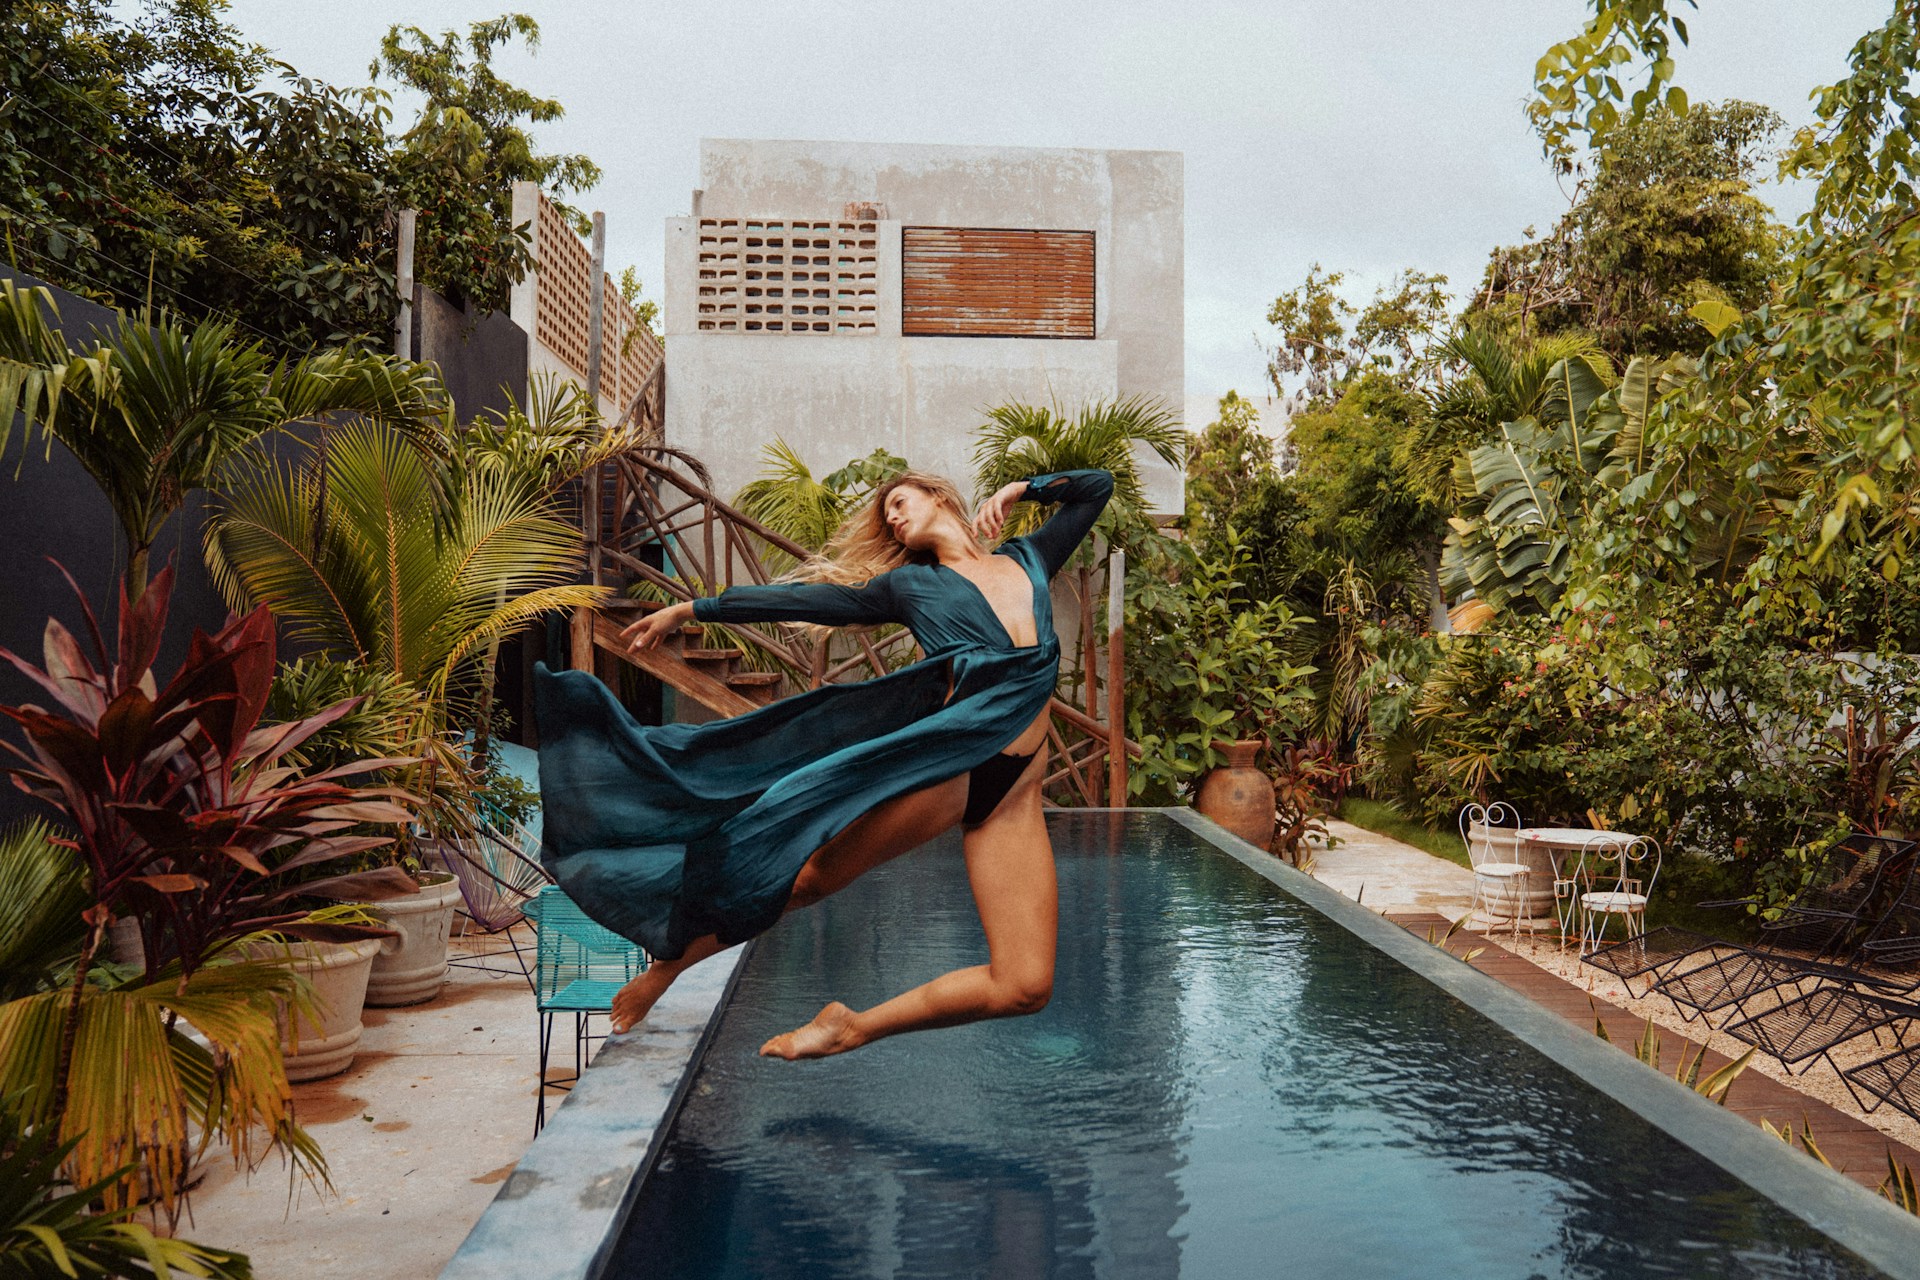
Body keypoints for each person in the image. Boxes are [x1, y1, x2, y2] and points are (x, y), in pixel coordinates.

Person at [532, 467, 1113, 1059]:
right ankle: (667, 969)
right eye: (886, 511)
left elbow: (1097, 487)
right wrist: (694, 610)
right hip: (952, 767)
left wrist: (1023, 490)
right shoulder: (910, 588)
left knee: (1025, 986)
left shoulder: (1031, 559)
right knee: (808, 879)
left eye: (900, 501)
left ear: (939, 496)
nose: (891, 515)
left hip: (1015, 797)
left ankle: (853, 1027)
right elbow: (806, 599)